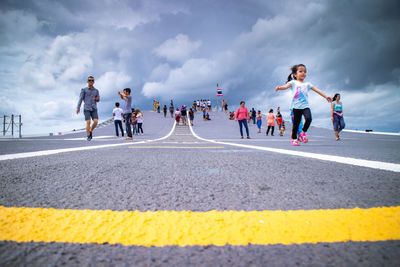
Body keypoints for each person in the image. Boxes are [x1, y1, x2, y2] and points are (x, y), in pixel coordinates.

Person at [275, 64, 332, 146]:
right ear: (295, 74)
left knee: (309, 119)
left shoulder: (307, 84)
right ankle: (294, 139)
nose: (303, 73)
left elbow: (317, 90)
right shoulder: (293, 82)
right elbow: (286, 86)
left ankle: (302, 133)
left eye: (305, 71)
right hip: (296, 107)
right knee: (296, 124)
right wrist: (279, 88)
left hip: (305, 106)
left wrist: (326, 96)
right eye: (300, 71)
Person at [76, 76, 100, 141]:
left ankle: (90, 130)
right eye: (89, 80)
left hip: (94, 108)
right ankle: (88, 135)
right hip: (87, 108)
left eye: (92, 80)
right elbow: (80, 99)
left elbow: (98, 99)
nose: (91, 82)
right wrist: (78, 108)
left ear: (94, 82)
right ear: (87, 81)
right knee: (88, 121)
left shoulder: (96, 90)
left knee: (96, 121)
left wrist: (96, 99)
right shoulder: (84, 90)